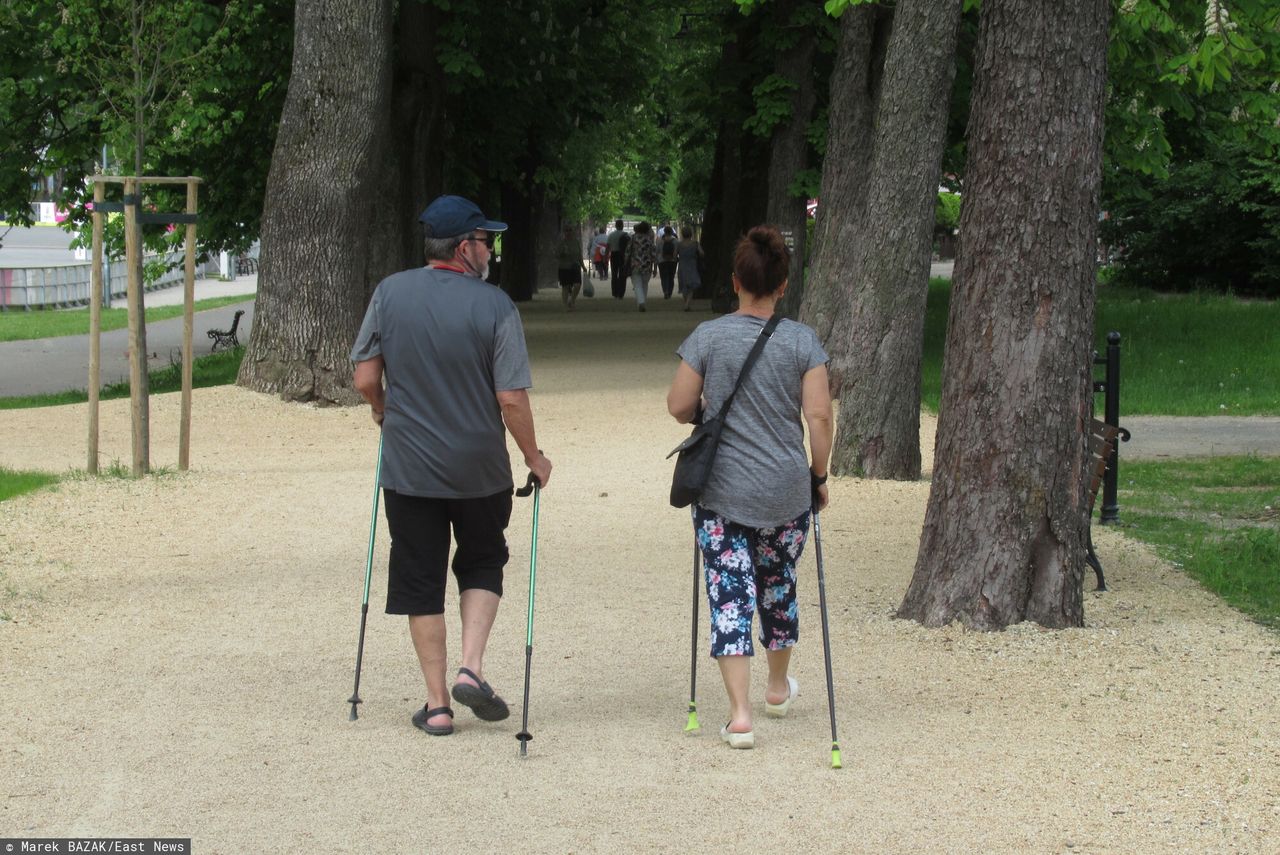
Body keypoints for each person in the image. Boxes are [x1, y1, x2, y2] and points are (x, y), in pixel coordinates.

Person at [350, 194, 554, 737]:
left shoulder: (389, 294)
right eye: (487, 241)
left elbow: (366, 377)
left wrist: (382, 411)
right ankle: (472, 666)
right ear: (465, 248)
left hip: (409, 467)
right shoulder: (495, 306)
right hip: (479, 468)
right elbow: (510, 398)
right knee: (484, 558)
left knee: (420, 576)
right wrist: (534, 457)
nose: (491, 250)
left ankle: (437, 705)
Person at [665, 224, 832, 750]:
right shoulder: (803, 341)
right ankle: (777, 688)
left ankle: (739, 715)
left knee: (730, 596)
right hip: (786, 490)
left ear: (735, 280)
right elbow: (820, 417)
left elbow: (677, 407)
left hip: (721, 492)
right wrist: (818, 476)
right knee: (778, 585)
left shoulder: (708, 338)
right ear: (783, 286)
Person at [625, 221, 657, 312]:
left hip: (635, 265)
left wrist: (626, 262)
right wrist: (655, 268)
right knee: (644, 284)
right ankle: (642, 302)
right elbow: (653, 254)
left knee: (637, 285)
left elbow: (627, 252)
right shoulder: (649, 240)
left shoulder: (633, 238)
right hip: (647, 265)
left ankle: (641, 302)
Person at [556, 224, 586, 310]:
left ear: (572, 232)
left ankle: (572, 300)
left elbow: (579, 255)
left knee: (577, 285)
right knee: (565, 286)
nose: (568, 232)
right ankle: (565, 305)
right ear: (564, 232)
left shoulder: (576, 242)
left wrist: (583, 266)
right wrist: (562, 252)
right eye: (566, 230)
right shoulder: (561, 243)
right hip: (564, 267)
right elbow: (557, 255)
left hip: (575, 266)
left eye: (570, 230)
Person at [676, 225, 704, 312]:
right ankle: (687, 304)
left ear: (682, 234)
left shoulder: (679, 244)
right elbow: (702, 253)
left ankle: (686, 303)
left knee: (684, 285)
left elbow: (674, 255)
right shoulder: (695, 243)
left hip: (682, 265)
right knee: (692, 286)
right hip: (692, 265)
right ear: (691, 234)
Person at [606, 219, 630, 299]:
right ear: (622, 225)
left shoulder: (611, 235)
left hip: (614, 255)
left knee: (614, 274)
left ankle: (615, 292)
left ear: (615, 226)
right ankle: (621, 293)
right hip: (622, 255)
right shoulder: (626, 235)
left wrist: (605, 257)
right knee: (622, 275)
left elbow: (607, 247)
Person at [657, 226, 679, 300]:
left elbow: (657, 251)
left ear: (664, 232)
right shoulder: (676, 241)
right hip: (673, 261)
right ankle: (669, 292)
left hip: (662, 261)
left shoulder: (659, 240)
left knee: (663, 277)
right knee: (671, 277)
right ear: (672, 232)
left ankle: (665, 291)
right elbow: (677, 251)